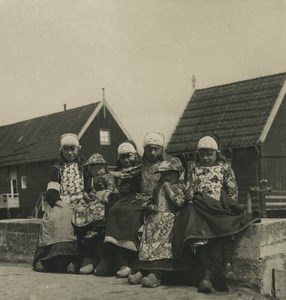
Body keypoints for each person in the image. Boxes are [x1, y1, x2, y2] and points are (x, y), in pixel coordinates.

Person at [172, 135, 260, 293]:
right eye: (202, 154)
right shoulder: (195, 170)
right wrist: (191, 197)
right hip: (200, 207)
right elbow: (189, 189)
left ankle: (227, 264)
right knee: (194, 227)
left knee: (227, 225)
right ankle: (206, 273)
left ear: (216, 154)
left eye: (209, 154)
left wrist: (229, 204)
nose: (205, 158)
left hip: (219, 206)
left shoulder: (225, 169)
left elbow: (232, 190)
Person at [129, 156, 188, 288]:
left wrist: (169, 189)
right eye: (163, 174)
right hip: (155, 219)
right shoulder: (157, 187)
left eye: (170, 174)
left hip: (171, 219)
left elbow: (179, 203)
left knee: (161, 240)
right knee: (147, 239)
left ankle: (156, 273)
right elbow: (152, 200)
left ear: (178, 174)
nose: (166, 177)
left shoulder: (179, 187)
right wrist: (150, 206)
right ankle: (142, 269)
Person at [33, 133, 84, 273]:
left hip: (82, 201)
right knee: (54, 218)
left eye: (72, 149)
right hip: (62, 202)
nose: (70, 153)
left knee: (74, 217)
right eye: (66, 149)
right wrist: (61, 203)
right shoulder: (57, 168)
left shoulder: (84, 167)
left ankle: (70, 260)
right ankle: (48, 260)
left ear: (78, 149)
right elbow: (51, 191)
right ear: (61, 151)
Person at [94, 141, 142, 278]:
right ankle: (106, 259)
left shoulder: (139, 170)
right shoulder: (116, 171)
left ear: (135, 156)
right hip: (119, 198)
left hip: (135, 198)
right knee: (108, 212)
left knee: (124, 214)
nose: (126, 160)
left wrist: (109, 173)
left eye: (129, 156)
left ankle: (127, 261)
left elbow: (127, 176)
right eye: (123, 157)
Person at [72, 152, 117, 274]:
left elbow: (111, 187)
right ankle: (85, 228)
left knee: (99, 209)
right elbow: (86, 190)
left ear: (105, 167)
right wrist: (86, 196)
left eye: (99, 168)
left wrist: (106, 195)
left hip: (104, 198)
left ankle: (96, 228)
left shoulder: (107, 176)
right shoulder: (90, 179)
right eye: (94, 168)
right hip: (92, 199)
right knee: (82, 209)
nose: (97, 171)